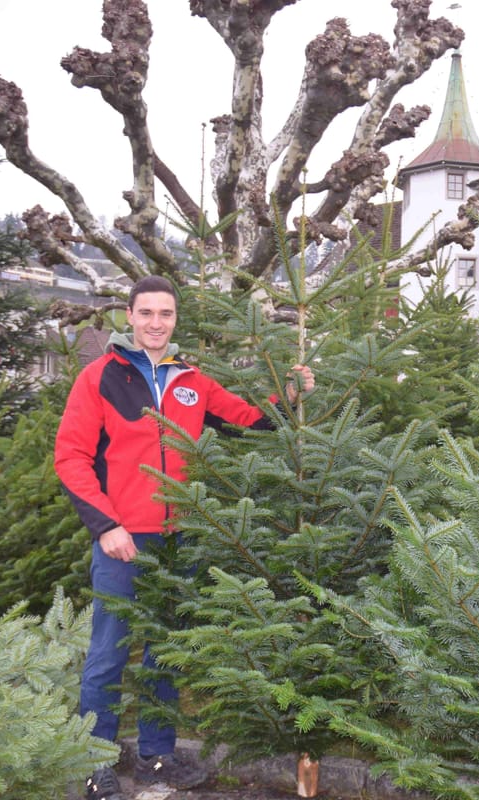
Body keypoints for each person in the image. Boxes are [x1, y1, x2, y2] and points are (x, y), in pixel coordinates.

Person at [55, 275, 314, 800]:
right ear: (128, 317)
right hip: (124, 540)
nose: (155, 323)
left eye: (165, 314)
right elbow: (72, 458)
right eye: (146, 313)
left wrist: (289, 394)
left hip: (182, 537)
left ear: (175, 320)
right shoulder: (100, 376)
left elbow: (248, 420)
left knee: (167, 652)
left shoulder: (189, 378)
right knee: (109, 652)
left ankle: (156, 757)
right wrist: (107, 526)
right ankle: (95, 762)